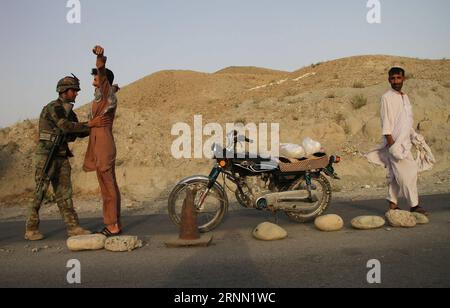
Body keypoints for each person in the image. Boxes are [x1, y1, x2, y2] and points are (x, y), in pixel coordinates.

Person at [25, 75, 111, 241]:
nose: (76, 94)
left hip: (62, 156)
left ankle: (73, 227)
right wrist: (91, 124)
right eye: (74, 90)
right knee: (40, 192)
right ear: (64, 91)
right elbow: (64, 126)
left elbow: (76, 132)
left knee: (65, 194)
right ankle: (31, 228)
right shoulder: (53, 107)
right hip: (46, 156)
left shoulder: (70, 113)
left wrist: (96, 126)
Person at [366, 67, 428, 215]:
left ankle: (393, 204)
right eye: (392, 78)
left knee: (395, 175)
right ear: (389, 80)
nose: (395, 81)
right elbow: (386, 121)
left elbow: (407, 120)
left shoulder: (405, 97)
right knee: (409, 174)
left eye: (398, 78)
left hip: (405, 142)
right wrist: (392, 143)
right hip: (395, 144)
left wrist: (414, 137)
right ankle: (414, 205)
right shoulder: (387, 97)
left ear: (403, 79)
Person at [83, 45, 122, 236]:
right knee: (109, 185)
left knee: (107, 187)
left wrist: (100, 58)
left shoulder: (107, 95)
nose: (93, 82)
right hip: (99, 145)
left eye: (95, 78)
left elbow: (103, 74)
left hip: (104, 145)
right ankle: (114, 223)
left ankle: (112, 224)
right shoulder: (101, 98)